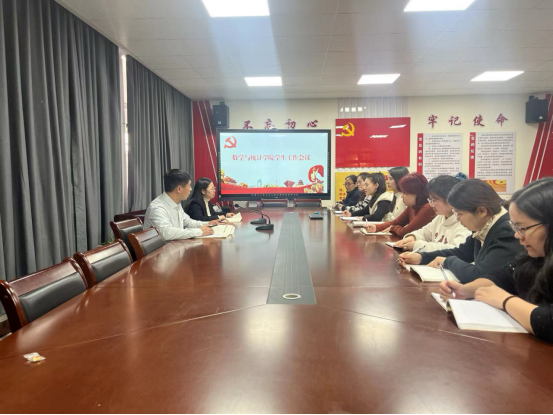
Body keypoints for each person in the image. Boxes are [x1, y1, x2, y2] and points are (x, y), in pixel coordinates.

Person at [439, 178, 553, 343]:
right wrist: (465, 290)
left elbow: (549, 322)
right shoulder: (536, 257)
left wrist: (505, 300)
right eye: (515, 227)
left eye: (522, 228)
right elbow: (503, 275)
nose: (517, 235)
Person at [399, 179, 523, 284]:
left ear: (482, 211)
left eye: (460, 214)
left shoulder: (506, 231)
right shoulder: (484, 225)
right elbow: (462, 252)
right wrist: (421, 257)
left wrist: (448, 261)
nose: (458, 219)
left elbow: (482, 276)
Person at [394, 175, 471, 252]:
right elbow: (424, 232)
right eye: (430, 200)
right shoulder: (441, 217)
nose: (431, 205)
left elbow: (455, 250)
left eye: (434, 200)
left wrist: (417, 245)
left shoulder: (466, 223)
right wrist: (413, 237)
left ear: (450, 199)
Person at [144, 170, 217, 240]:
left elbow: (189, 222)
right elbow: (166, 233)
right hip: (164, 248)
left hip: (176, 245)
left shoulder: (176, 203)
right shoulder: (157, 207)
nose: (191, 189)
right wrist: (198, 232)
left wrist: (208, 223)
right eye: (189, 185)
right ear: (179, 189)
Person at [365, 173, 436, 238]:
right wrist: (376, 227)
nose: (402, 196)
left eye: (405, 193)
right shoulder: (411, 207)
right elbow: (395, 222)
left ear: (416, 193)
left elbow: (406, 232)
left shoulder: (427, 208)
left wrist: (393, 228)